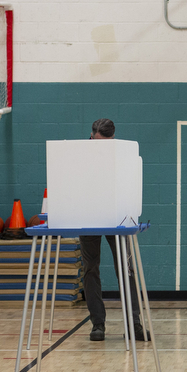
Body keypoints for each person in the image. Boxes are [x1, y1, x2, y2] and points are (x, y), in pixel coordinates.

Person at [79, 118, 148, 343]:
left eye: (107, 143)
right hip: (89, 216)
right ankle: (97, 324)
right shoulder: (78, 156)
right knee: (90, 270)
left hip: (116, 216)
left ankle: (133, 324)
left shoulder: (121, 155)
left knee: (126, 269)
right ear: (91, 137)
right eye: (98, 142)